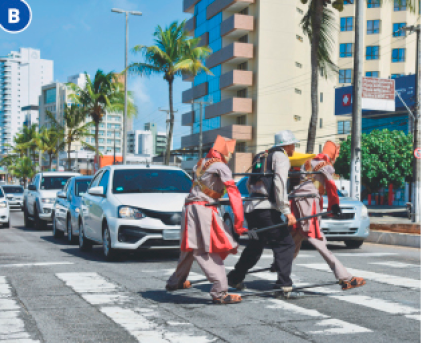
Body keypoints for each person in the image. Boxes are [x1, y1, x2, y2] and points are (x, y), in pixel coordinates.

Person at [166, 135, 247, 304]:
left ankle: (175, 282)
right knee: (206, 250)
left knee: (190, 248)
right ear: (224, 152)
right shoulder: (221, 166)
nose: (230, 156)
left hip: (190, 208)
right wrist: (239, 222)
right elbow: (233, 191)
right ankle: (220, 291)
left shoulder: (201, 163)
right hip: (203, 209)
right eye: (230, 152)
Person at [227, 130, 297, 297]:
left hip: (252, 209)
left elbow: (251, 183)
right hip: (266, 210)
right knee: (285, 243)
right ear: (286, 145)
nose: (294, 147)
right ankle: (283, 284)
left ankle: (236, 277)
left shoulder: (262, 156)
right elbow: (280, 184)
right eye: (293, 144)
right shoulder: (280, 157)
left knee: (255, 245)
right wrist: (287, 211)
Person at [289, 141, 366, 290]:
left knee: (294, 240)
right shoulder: (326, 165)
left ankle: (281, 269)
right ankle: (345, 277)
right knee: (318, 241)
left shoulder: (308, 161)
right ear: (333, 153)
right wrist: (334, 205)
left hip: (295, 201)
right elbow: (330, 186)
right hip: (309, 204)